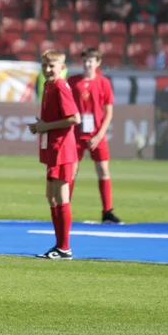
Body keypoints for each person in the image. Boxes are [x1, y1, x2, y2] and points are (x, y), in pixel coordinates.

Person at [29, 49, 81, 260]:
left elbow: (75, 118)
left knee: (60, 197)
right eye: (44, 66)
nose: (48, 70)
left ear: (62, 67)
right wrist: (42, 126)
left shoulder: (60, 86)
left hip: (62, 148)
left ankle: (64, 247)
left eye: (52, 66)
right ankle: (59, 245)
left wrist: (45, 126)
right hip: (52, 145)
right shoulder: (48, 85)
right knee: (51, 197)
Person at [68, 49, 123, 224]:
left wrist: (99, 135)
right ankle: (64, 208)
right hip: (76, 133)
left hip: (96, 133)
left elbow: (109, 113)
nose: (88, 64)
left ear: (98, 63)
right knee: (71, 171)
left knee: (103, 170)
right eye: (85, 61)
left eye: (91, 61)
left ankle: (107, 211)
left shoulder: (104, 83)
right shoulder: (73, 81)